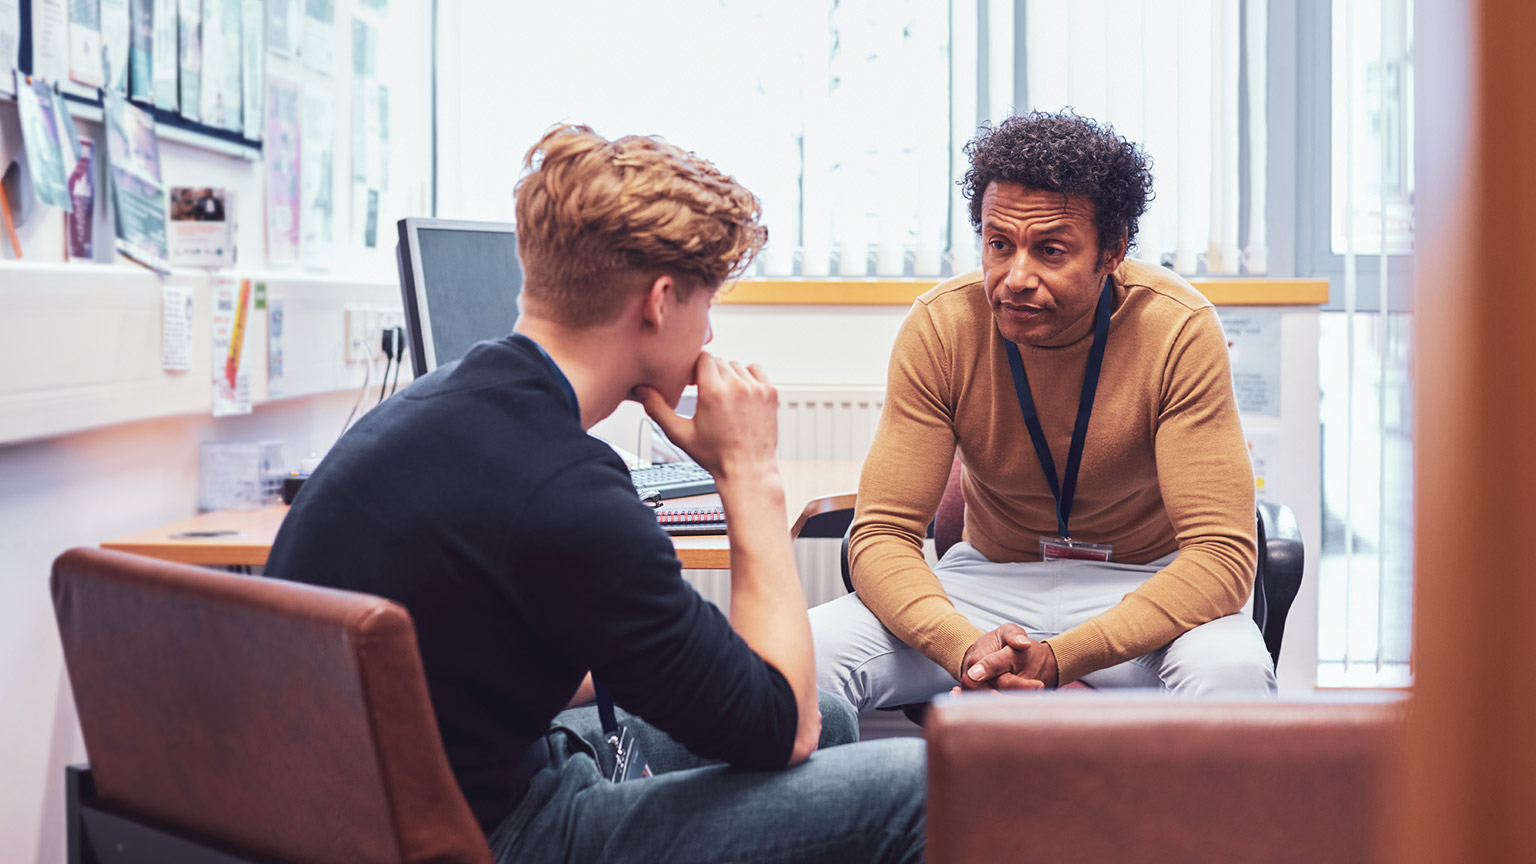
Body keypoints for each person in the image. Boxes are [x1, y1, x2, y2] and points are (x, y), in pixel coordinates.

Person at [265, 124, 925, 863]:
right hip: (491, 835)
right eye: (708, 304)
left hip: (358, 808)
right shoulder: (568, 491)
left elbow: (493, 655)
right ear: (662, 300)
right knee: (925, 781)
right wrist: (751, 473)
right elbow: (782, 730)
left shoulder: (428, 409)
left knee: (831, 713)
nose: (709, 333)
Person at [811, 110, 1276, 710]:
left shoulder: (1177, 329)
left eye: (1051, 251)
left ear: (1112, 251)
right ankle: (867, 807)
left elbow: (1221, 554)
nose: (1015, 278)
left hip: (1143, 587)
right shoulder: (942, 326)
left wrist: (1063, 658)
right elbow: (881, 534)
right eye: (998, 245)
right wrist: (966, 647)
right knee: (799, 661)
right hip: (986, 587)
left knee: (1232, 677)